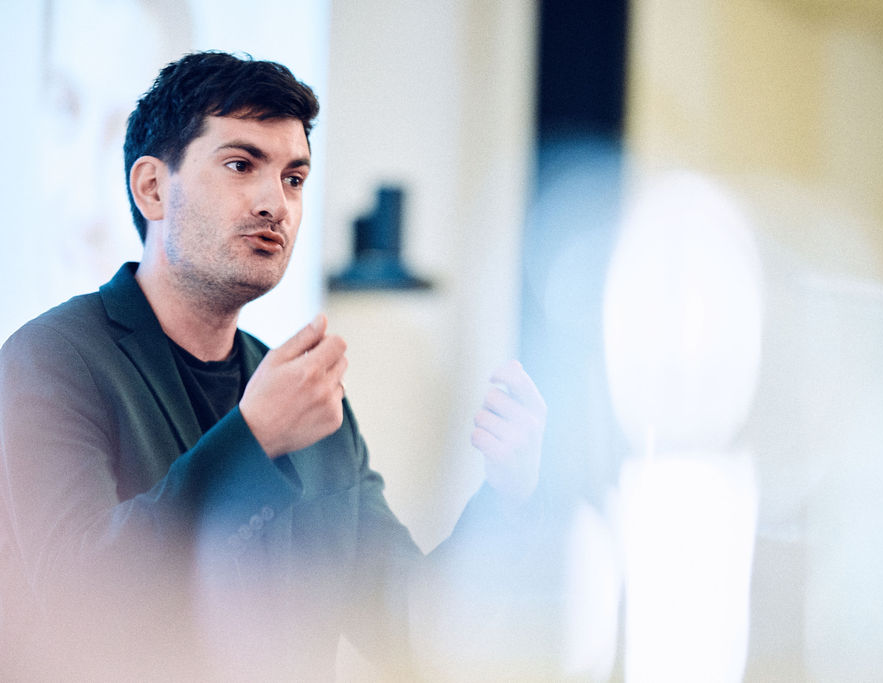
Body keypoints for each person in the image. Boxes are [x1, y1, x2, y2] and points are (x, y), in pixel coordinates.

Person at [0, 51, 548, 681]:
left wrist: (507, 500)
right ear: (152, 188)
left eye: (294, 178)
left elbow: (406, 625)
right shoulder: (50, 360)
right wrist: (250, 442)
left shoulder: (306, 398)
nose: (275, 204)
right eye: (241, 165)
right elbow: (80, 600)